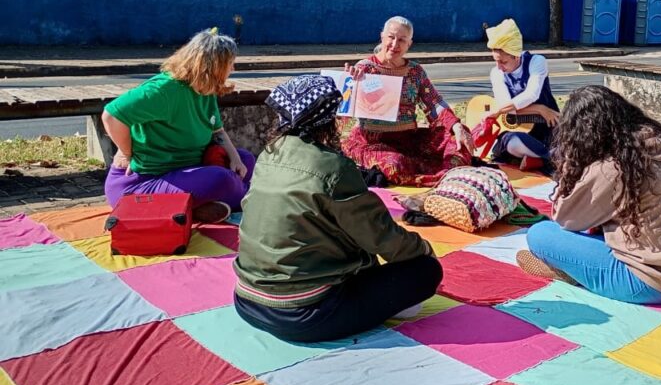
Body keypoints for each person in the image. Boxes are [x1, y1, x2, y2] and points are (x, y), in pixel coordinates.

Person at [234, 75, 441, 342]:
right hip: (303, 314)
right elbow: (381, 236)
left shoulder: (268, 154)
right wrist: (423, 250)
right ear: (327, 120)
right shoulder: (333, 167)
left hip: (247, 301)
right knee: (425, 271)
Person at [515, 86, 661, 304]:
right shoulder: (660, 146)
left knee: (540, 233)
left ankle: (578, 273)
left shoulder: (613, 167)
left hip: (649, 283)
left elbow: (565, 219)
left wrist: (573, 167)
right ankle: (582, 270)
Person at [102, 29, 254, 224]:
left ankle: (190, 208)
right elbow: (111, 116)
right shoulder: (164, 91)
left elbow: (218, 131)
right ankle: (247, 199)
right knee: (222, 179)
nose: (232, 69)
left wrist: (235, 159)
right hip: (142, 183)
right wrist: (126, 153)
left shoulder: (205, 89)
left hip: (185, 170)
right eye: (230, 63)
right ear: (213, 66)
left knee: (245, 160)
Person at [341, 16, 474, 186]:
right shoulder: (364, 69)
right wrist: (349, 84)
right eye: (391, 37)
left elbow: (434, 103)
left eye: (402, 40)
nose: (394, 44)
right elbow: (343, 109)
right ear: (382, 37)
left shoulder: (415, 72)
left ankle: (446, 173)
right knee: (395, 164)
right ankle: (435, 177)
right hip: (373, 143)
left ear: (409, 44)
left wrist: (456, 126)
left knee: (459, 137)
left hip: (410, 140)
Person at [485, 19, 560, 171]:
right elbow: (505, 106)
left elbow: (531, 94)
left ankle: (539, 158)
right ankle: (549, 158)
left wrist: (504, 109)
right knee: (512, 143)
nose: (499, 67)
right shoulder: (496, 73)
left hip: (547, 126)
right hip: (519, 131)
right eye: (496, 61)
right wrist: (539, 109)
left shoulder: (537, 62)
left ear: (516, 56)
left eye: (503, 62)